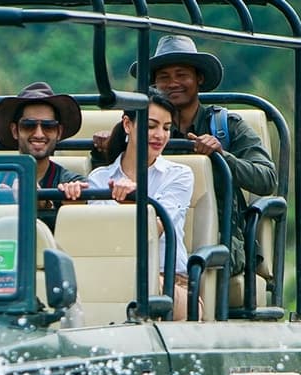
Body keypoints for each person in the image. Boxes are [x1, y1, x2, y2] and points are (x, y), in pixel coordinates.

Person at [93, 35, 276, 276]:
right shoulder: (133, 131)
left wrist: (222, 156)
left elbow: (266, 179)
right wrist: (107, 146)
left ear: (198, 78)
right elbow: (107, 178)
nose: (173, 84)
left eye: (182, 75)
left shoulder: (225, 126)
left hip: (220, 236)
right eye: (164, 77)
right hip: (147, 237)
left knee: (196, 262)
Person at [60, 88, 197, 320]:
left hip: (168, 279)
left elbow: (155, 228)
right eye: (151, 126)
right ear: (127, 125)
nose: (160, 136)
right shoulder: (100, 178)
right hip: (109, 276)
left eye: (166, 128)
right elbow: (100, 238)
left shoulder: (180, 175)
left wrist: (131, 201)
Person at [0, 81, 86, 226]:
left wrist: (45, 206)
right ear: (15, 130)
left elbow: (84, 237)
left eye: (48, 126)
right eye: (29, 126)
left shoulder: (72, 184)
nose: (39, 134)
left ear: (58, 132)